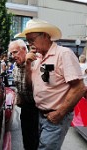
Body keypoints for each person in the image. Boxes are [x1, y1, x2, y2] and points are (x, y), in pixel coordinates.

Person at [15, 19, 86, 149]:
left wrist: (60, 113)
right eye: (28, 41)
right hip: (41, 113)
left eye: (32, 39)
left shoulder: (63, 54)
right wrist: (28, 66)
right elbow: (30, 86)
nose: (30, 44)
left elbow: (79, 88)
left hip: (56, 114)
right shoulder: (37, 57)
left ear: (46, 36)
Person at [8, 39, 39, 150]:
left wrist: (28, 66)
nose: (13, 55)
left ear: (24, 49)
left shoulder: (35, 64)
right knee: (27, 140)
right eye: (11, 53)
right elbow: (18, 86)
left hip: (38, 109)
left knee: (37, 141)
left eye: (15, 52)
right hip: (26, 109)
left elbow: (32, 87)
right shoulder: (15, 67)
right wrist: (19, 97)